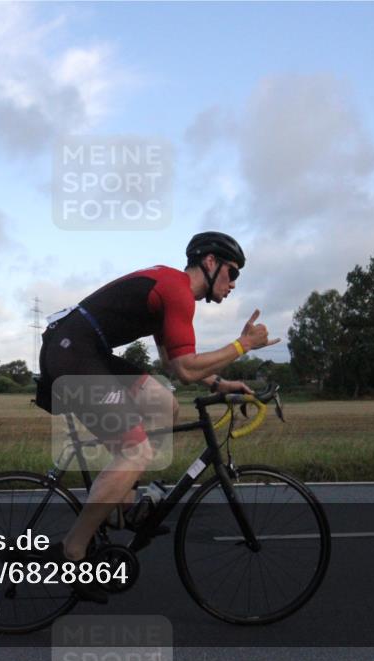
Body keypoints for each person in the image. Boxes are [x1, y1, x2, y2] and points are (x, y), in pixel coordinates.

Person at [32, 231, 280, 602]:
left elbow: (172, 364)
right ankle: (74, 549)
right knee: (137, 451)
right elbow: (185, 368)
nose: (232, 285)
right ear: (210, 263)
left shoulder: (173, 291)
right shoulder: (177, 290)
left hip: (86, 350)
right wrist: (242, 345)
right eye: (233, 273)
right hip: (74, 354)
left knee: (163, 401)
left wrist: (220, 384)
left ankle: (123, 509)